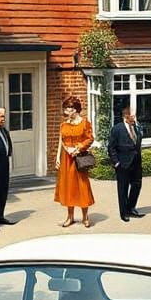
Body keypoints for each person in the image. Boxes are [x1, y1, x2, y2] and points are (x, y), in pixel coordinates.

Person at [54, 95, 95, 228]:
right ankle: (70, 217)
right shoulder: (64, 124)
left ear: (75, 109)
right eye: (65, 109)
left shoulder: (84, 123)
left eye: (67, 109)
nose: (65, 111)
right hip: (66, 159)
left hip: (79, 159)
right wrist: (58, 157)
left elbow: (90, 138)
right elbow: (61, 141)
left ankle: (85, 217)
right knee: (68, 187)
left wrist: (78, 148)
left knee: (82, 186)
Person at [108, 107, 144, 222]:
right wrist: (116, 162)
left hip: (136, 162)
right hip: (123, 163)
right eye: (132, 116)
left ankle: (131, 208)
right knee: (123, 189)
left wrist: (138, 128)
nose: (134, 118)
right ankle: (124, 212)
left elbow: (138, 141)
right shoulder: (117, 129)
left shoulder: (137, 127)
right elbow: (111, 147)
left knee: (137, 185)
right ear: (126, 116)